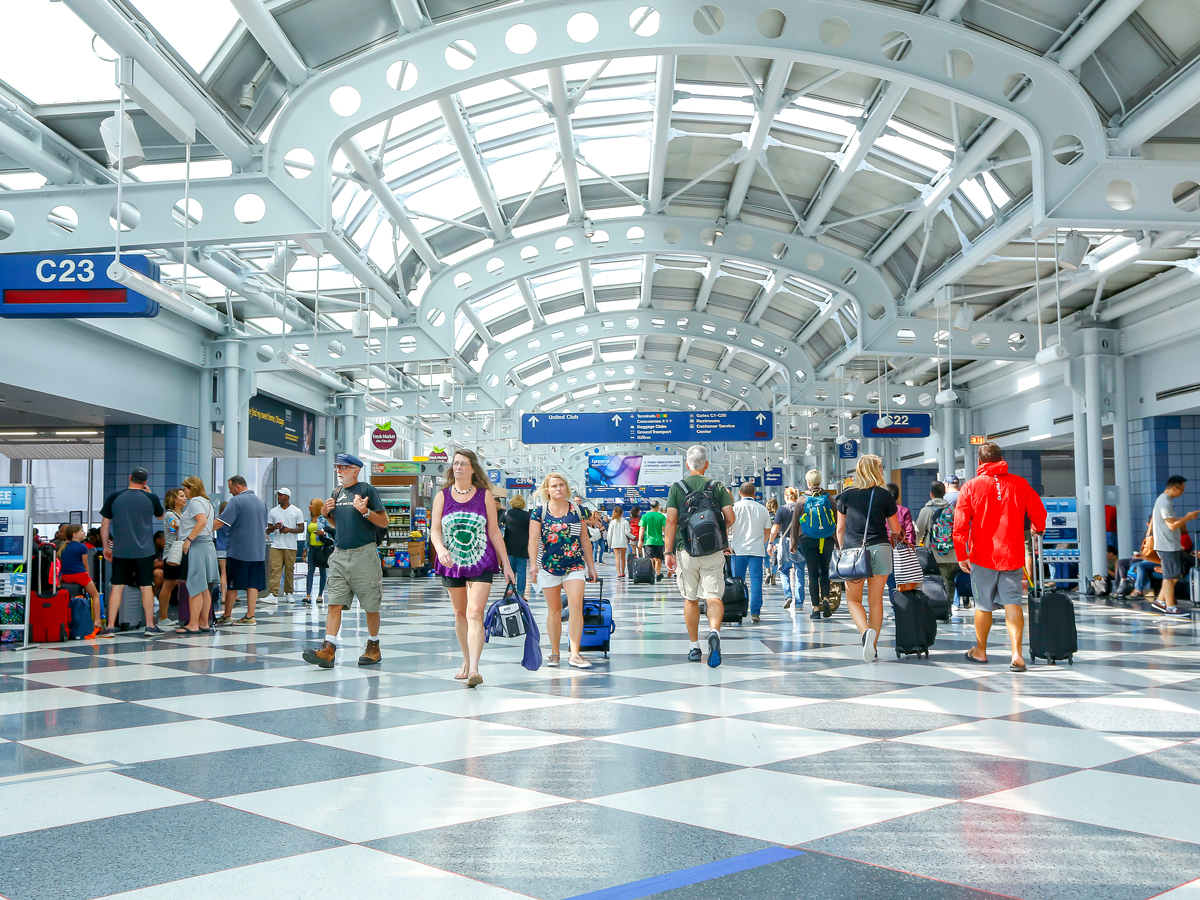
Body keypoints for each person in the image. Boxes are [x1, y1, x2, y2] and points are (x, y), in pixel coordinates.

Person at [954, 441, 1047, 670]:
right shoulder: (1020, 483)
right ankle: (1017, 654)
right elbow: (1039, 512)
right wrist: (1038, 527)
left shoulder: (970, 487)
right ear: (1001, 458)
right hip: (1012, 555)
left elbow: (960, 524)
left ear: (979, 461)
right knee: (1013, 603)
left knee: (982, 605)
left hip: (981, 557)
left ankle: (980, 651)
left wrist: (961, 553)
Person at [428, 448, 513, 687]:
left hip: (481, 560)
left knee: (475, 612)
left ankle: (475, 668)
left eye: (464, 464)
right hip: (451, 562)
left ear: (472, 469)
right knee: (459, 613)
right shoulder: (442, 496)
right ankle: (465, 661)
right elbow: (435, 530)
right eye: (456, 463)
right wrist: (441, 549)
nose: (459, 467)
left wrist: (506, 563)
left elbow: (494, 531)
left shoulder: (484, 495)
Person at [303, 453, 392, 669]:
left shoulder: (367, 490)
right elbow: (338, 523)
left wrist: (365, 511)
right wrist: (326, 514)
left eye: (344, 467)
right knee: (334, 602)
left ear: (356, 470)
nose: (339, 470)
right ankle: (329, 648)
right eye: (337, 467)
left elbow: (384, 521)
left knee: (370, 604)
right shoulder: (337, 492)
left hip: (364, 555)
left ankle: (373, 646)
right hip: (340, 555)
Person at [664, 444, 736, 667]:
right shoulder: (717, 486)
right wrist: (719, 536)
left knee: (691, 598)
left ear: (687, 464)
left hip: (687, 550)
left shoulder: (677, 487)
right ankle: (714, 630)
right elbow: (730, 517)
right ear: (706, 464)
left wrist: (668, 551)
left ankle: (694, 646)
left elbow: (671, 521)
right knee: (713, 595)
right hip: (713, 551)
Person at [835, 456, 900, 662]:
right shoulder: (885, 495)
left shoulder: (845, 496)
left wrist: (841, 548)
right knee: (876, 600)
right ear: (877, 470)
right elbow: (896, 529)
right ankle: (873, 647)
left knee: (853, 599)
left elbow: (840, 529)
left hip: (854, 553)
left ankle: (865, 633)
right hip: (881, 549)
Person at [530, 472, 598, 668]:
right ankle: (554, 652)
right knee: (555, 611)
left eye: (561, 485)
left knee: (576, 606)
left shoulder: (577, 510)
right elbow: (534, 540)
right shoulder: (539, 513)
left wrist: (591, 566)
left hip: (575, 564)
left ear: (566, 487)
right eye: (553, 486)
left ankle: (575, 653)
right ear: (547, 490)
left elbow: (584, 539)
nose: (558, 489)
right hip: (548, 565)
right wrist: (534, 564)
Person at [100, 467, 165, 636]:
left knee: (117, 587)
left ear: (130, 478)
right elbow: (161, 516)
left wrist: (107, 547)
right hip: (145, 551)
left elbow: (105, 526)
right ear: (145, 482)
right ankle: (150, 626)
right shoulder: (150, 497)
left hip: (121, 551)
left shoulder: (114, 497)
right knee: (146, 587)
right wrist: (150, 494)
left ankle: (110, 627)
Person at [215, 475, 268, 625]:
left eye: (231, 488)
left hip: (239, 551)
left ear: (238, 487)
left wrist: (201, 530)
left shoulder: (237, 501)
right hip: (258, 552)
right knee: (253, 584)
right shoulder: (261, 502)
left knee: (233, 584)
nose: (230, 492)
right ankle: (250, 616)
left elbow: (221, 521)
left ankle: (226, 616)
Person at [1149, 475, 1199, 617]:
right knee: (1169, 577)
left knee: (1172, 575)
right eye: (1181, 490)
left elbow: (1170, 521)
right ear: (1175, 488)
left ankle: (1160, 601)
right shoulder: (1164, 502)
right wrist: (1187, 517)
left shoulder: (1164, 501)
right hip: (1167, 545)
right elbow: (1171, 525)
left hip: (1169, 544)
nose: (1182, 493)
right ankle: (1170, 608)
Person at [176, 476, 220, 635]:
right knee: (205, 588)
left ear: (192, 488)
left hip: (197, 547)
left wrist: (188, 539)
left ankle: (193, 623)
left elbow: (201, 521)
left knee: (194, 585)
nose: (184, 493)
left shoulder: (195, 503)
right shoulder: (207, 503)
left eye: (185, 489)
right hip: (208, 546)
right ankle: (203, 622)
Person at [791, 470, 837, 618]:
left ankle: (815, 609)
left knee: (812, 574)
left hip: (807, 539)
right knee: (825, 572)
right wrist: (837, 540)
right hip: (827, 538)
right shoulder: (829, 498)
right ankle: (826, 600)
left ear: (808, 483)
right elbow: (836, 519)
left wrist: (793, 542)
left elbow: (795, 523)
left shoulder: (802, 500)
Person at [730, 482, 772, 623]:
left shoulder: (734, 508)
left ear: (740, 493)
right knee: (756, 581)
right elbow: (767, 531)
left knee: (737, 582)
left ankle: (738, 610)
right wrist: (762, 541)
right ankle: (755, 612)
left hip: (738, 550)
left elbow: (727, 527)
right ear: (754, 493)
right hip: (757, 550)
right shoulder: (762, 509)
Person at [915, 481, 959, 603]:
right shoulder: (952, 510)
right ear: (944, 493)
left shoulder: (926, 510)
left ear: (931, 494)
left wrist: (917, 548)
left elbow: (918, 532)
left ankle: (936, 606)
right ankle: (948, 606)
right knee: (949, 580)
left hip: (933, 554)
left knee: (934, 581)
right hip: (952, 554)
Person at [57, 524, 102, 637]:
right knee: (95, 595)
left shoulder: (64, 546)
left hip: (66, 576)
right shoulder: (82, 547)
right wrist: (89, 576)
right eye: (82, 531)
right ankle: (97, 621)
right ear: (75, 535)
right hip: (79, 575)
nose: (84, 533)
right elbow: (85, 565)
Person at [266, 487, 306, 605]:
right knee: (275, 569)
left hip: (291, 546)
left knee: (289, 570)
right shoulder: (273, 511)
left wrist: (289, 530)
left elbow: (301, 528)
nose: (278, 497)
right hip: (276, 545)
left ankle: (289, 593)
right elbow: (268, 530)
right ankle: (273, 593)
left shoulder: (297, 511)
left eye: (281, 495)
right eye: (278, 495)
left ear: (287, 497)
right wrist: (275, 527)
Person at [156, 488, 187, 628]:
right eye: (181, 496)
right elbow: (175, 531)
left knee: (173, 584)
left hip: (179, 553)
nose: (184, 498)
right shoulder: (170, 515)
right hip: (173, 554)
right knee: (168, 585)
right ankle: (163, 616)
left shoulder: (180, 515)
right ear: (174, 499)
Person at [769, 487, 800, 610]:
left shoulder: (782, 509)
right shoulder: (801, 507)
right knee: (799, 570)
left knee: (783, 570)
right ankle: (799, 602)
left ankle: (788, 595)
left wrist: (770, 542)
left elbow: (775, 528)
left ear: (786, 497)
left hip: (785, 542)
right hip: (800, 541)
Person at [303, 498, 332, 605]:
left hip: (322, 549)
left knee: (322, 572)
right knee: (310, 571)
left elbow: (330, 533)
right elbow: (307, 536)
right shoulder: (310, 519)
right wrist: (305, 550)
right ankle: (308, 595)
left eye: (311, 504)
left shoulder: (323, 519)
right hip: (312, 548)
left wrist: (323, 533)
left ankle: (320, 595)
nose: (309, 506)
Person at [502, 494, 531, 597]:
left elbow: (501, 526)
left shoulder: (507, 513)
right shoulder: (527, 515)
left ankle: (510, 589)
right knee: (522, 571)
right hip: (523, 546)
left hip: (509, 545)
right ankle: (521, 593)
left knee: (511, 569)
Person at [639, 500, 667, 582]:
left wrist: (640, 540)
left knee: (650, 558)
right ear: (658, 506)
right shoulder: (661, 516)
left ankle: (651, 574)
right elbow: (665, 528)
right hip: (659, 541)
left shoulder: (645, 516)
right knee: (658, 559)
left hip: (648, 541)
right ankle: (658, 575)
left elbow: (642, 528)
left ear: (650, 507)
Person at [607, 505, 631, 578]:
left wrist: (609, 543)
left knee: (617, 558)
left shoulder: (612, 522)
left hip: (615, 542)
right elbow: (627, 532)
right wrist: (633, 537)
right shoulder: (625, 522)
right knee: (623, 558)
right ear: (622, 513)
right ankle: (623, 572)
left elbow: (609, 534)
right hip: (623, 541)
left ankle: (619, 573)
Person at [214, 500, 229, 614]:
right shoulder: (232, 521)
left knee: (223, 572)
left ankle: (223, 596)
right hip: (232, 548)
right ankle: (233, 594)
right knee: (232, 573)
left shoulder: (218, 521)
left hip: (220, 548)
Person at [764, 497, 779, 586]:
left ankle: (767, 571)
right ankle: (773, 577)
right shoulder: (778, 515)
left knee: (765, 557)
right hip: (776, 538)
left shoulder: (765, 514)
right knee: (774, 558)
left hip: (766, 537)